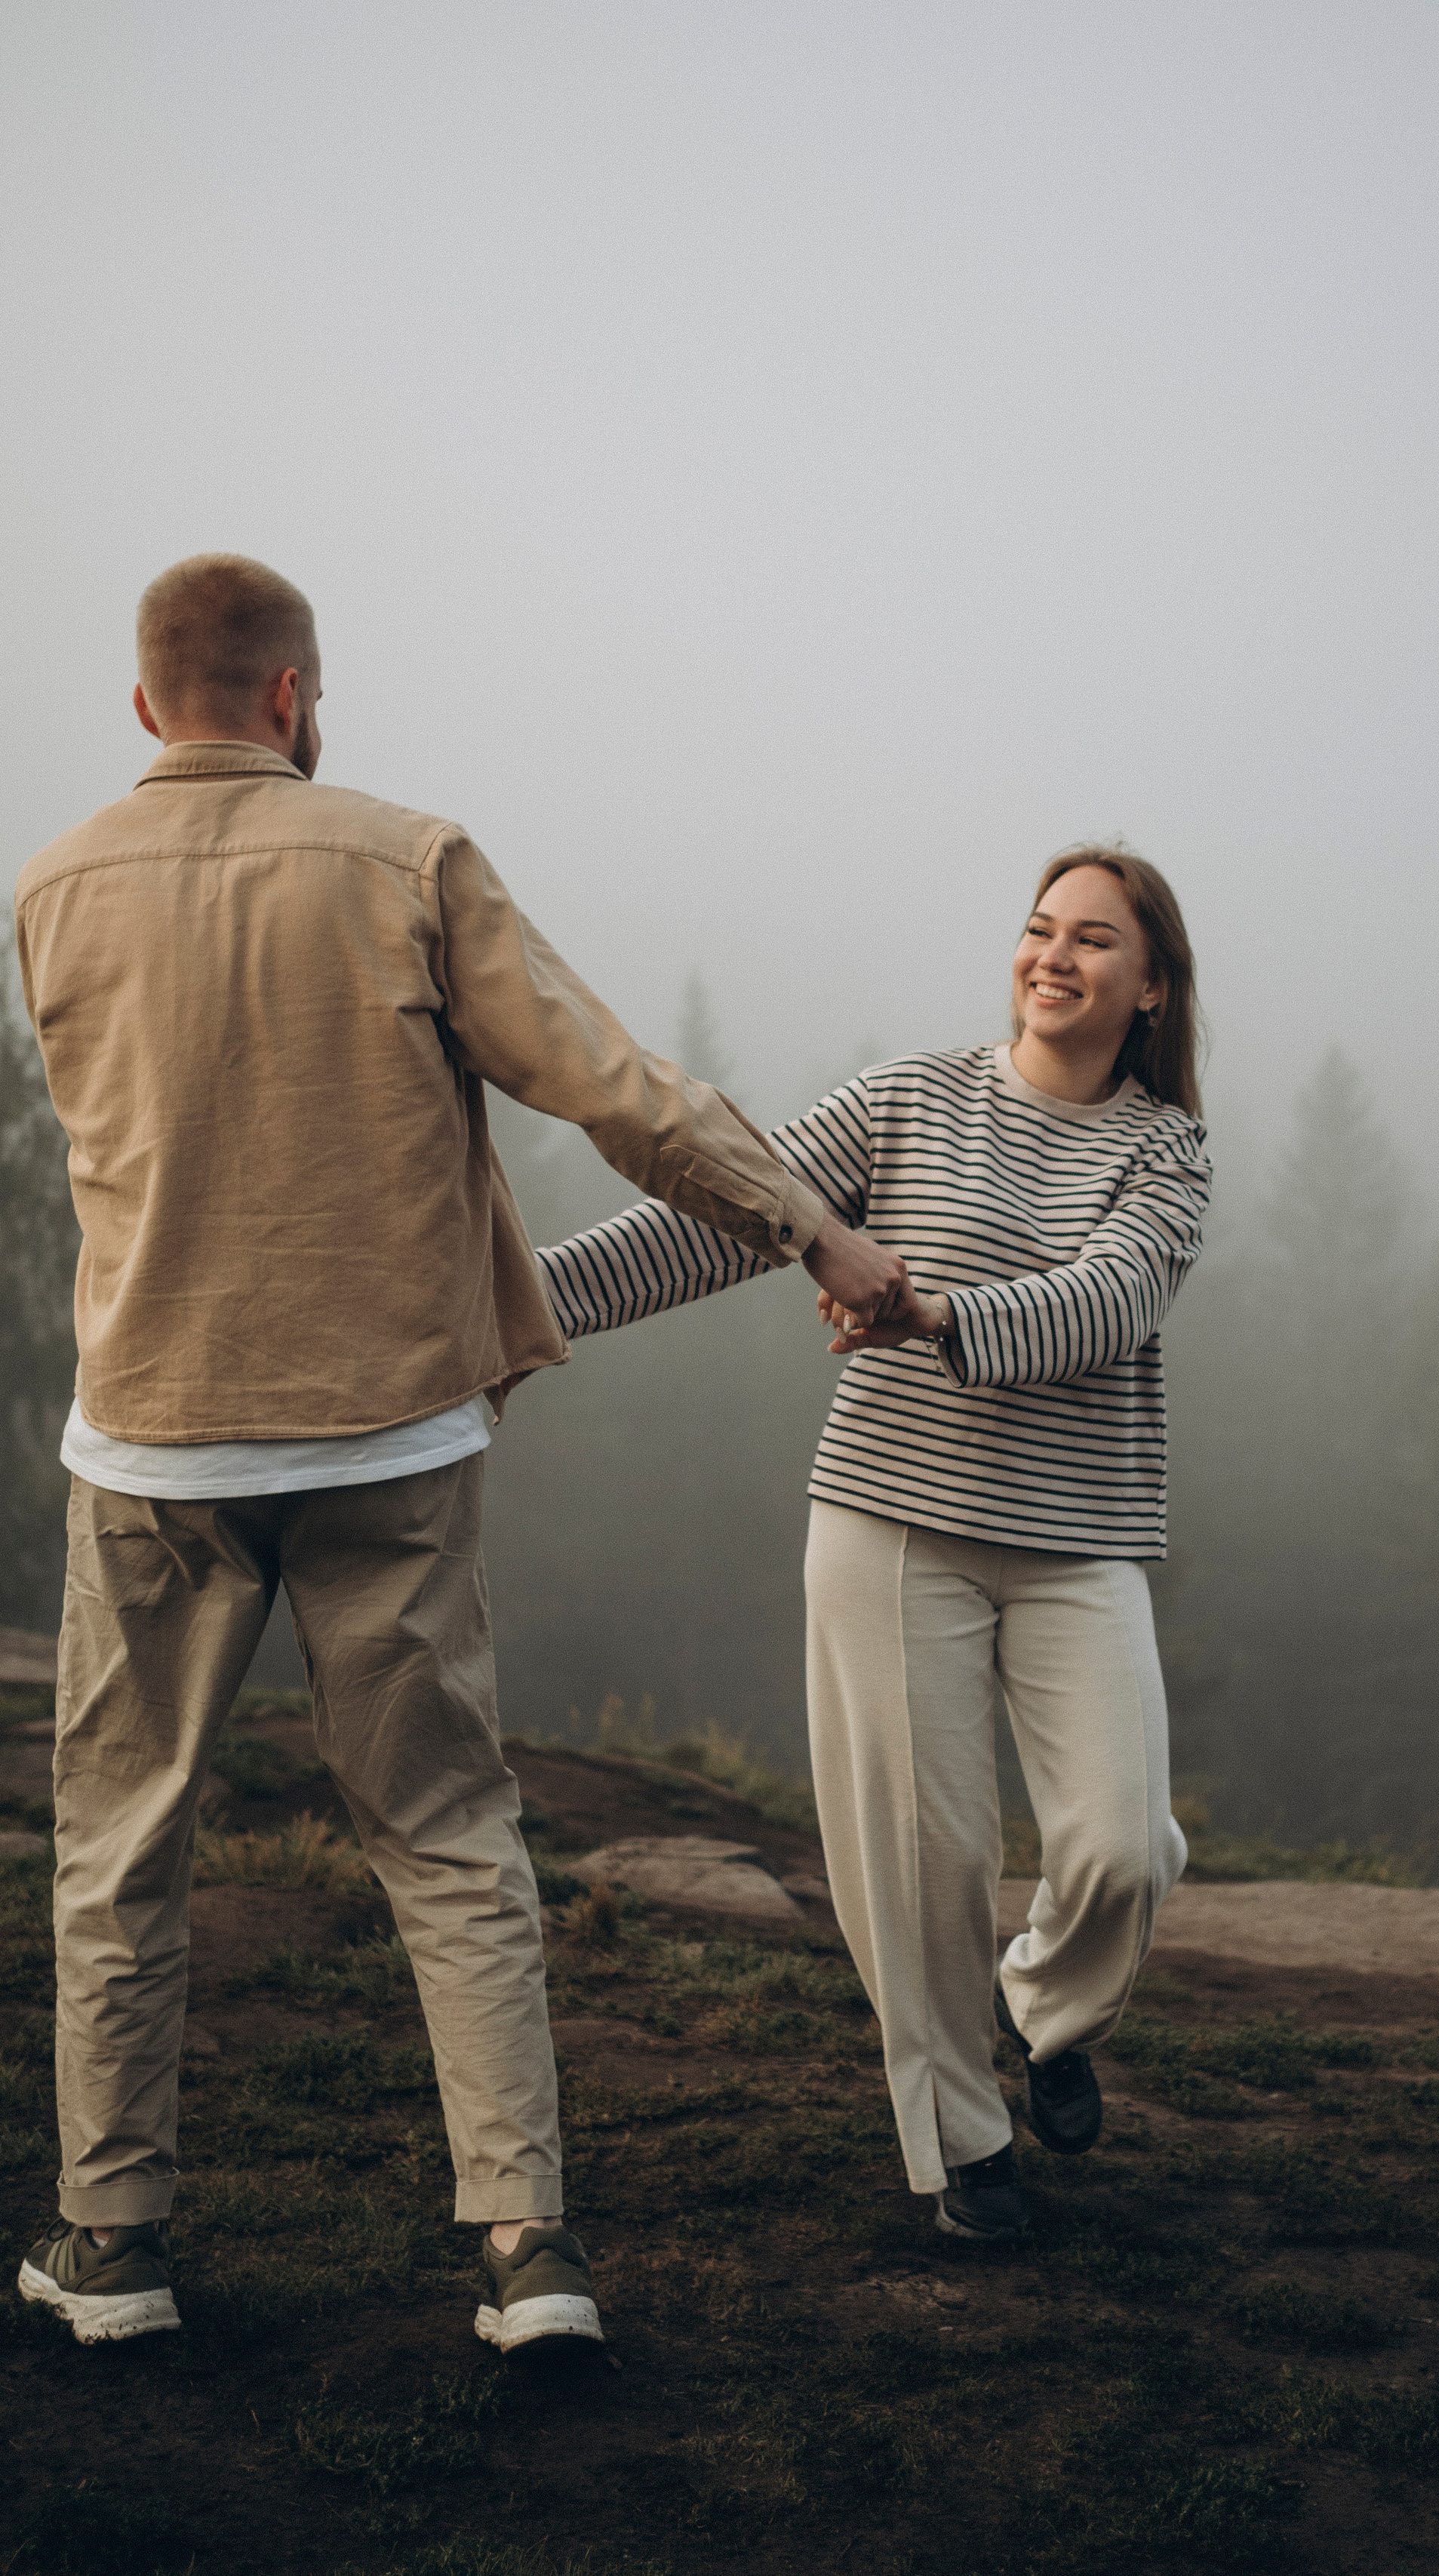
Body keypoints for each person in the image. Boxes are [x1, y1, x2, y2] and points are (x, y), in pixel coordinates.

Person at [10, 554, 906, 2347]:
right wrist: (812, 1227)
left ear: (141, 706)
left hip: (155, 1447)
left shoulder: (51, 888)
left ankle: (114, 2247)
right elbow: (610, 1088)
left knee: (119, 1850)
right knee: (444, 1835)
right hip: (386, 1440)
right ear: (292, 696)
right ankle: (523, 2249)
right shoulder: (405, 861)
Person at [539, 846, 1211, 2239]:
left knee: (1124, 1850)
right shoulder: (912, 1097)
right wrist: (526, 1300)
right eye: (1038, 929)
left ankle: (1049, 2010)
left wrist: (937, 1316)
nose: (1053, 956)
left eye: (1093, 939)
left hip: (1077, 1537)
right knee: (925, 1852)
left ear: (1150, 986)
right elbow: (731, 1211)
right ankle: (962, 2140)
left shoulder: (1167, 1151)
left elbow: (1109, 1302)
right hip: (890, 1516)